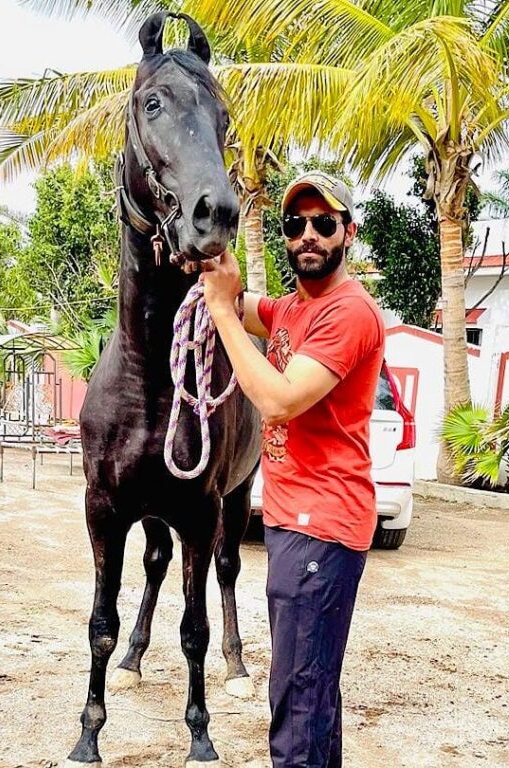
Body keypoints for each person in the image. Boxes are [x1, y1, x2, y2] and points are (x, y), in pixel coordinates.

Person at [200, 171, 386, 767]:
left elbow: (279, 399)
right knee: (313, 692)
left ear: (347, 233)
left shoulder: (348, 312)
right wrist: (206, 260)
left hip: (320, 527)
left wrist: (225, 317)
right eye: (295, 225)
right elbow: (244, 301)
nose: (308, 234)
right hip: (296, 524)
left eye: (323, 224)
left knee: (297, 699)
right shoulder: (291, 311)